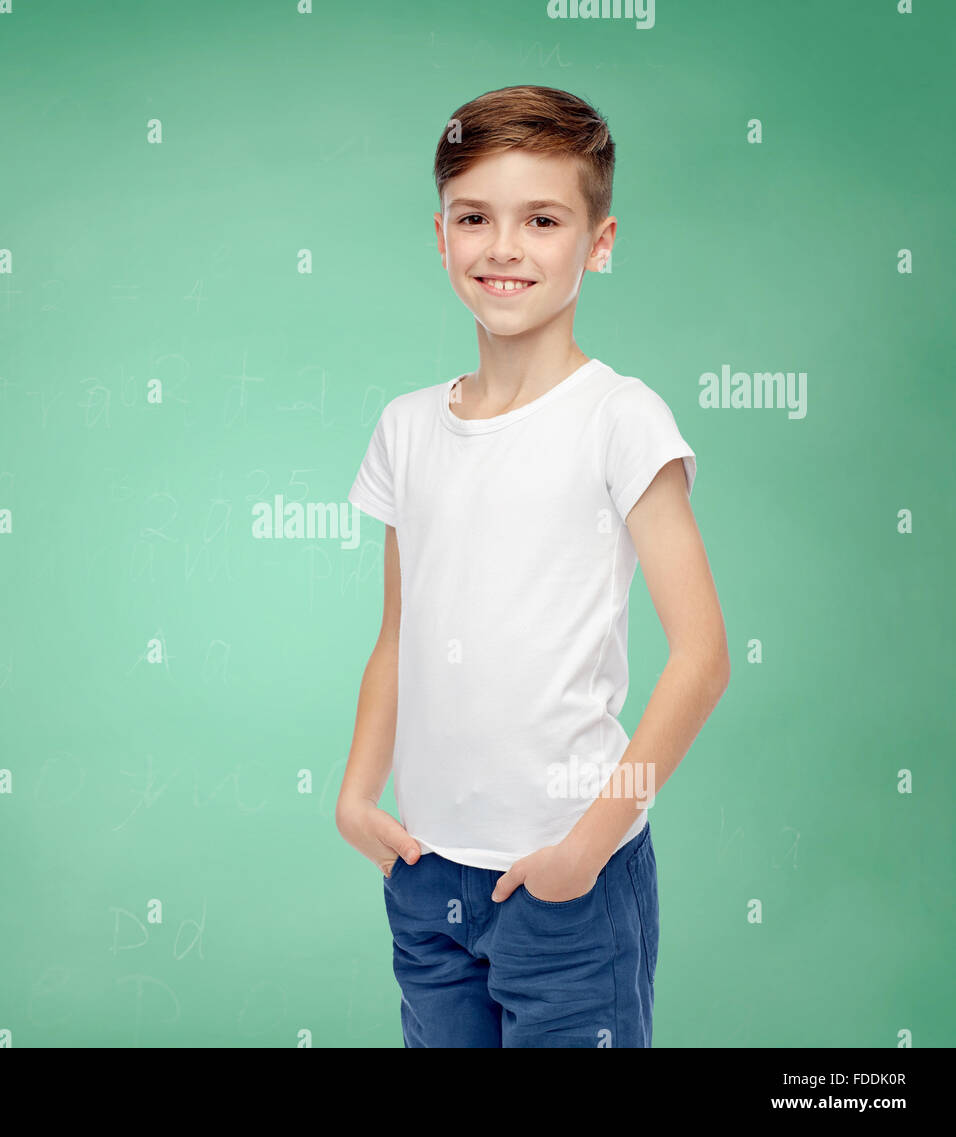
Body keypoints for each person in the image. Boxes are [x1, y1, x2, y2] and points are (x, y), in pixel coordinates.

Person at [336, 85, 729, 1048]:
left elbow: (703, 658)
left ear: (598, 241)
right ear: (441, 236)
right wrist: (357, 793)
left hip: (569, 880)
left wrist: (587, 849)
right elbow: (400, 637)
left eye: (542, 219)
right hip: (430, 879)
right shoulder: (406, 427)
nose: (503, 247)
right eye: (476, 217)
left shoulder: (620, 418)